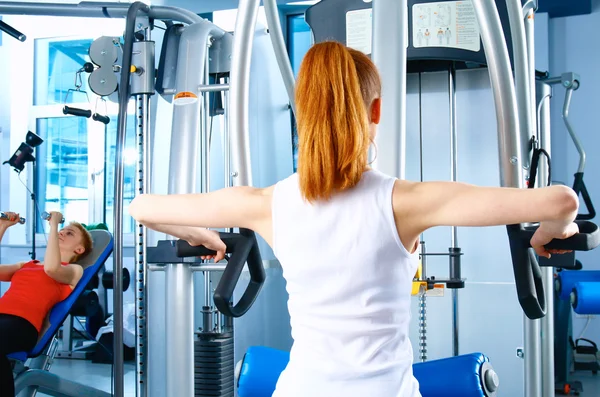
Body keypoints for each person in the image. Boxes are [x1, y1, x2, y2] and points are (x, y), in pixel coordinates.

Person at [128, 41, 580, 397]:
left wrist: (204, 236)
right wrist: (549, 235)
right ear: (376, 111)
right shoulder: (409, 201)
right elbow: (560, 201)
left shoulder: (264, 203)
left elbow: (142, 208)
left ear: (302, 114)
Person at [0, 211, 93, 396]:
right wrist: (2, 226)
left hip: (22, 325)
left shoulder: (74, 270)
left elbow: (51, 268)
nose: (61, 233)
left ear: (79, 249)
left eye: (69, 233)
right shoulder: (27, 264)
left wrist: (54, 226)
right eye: (62, 230)